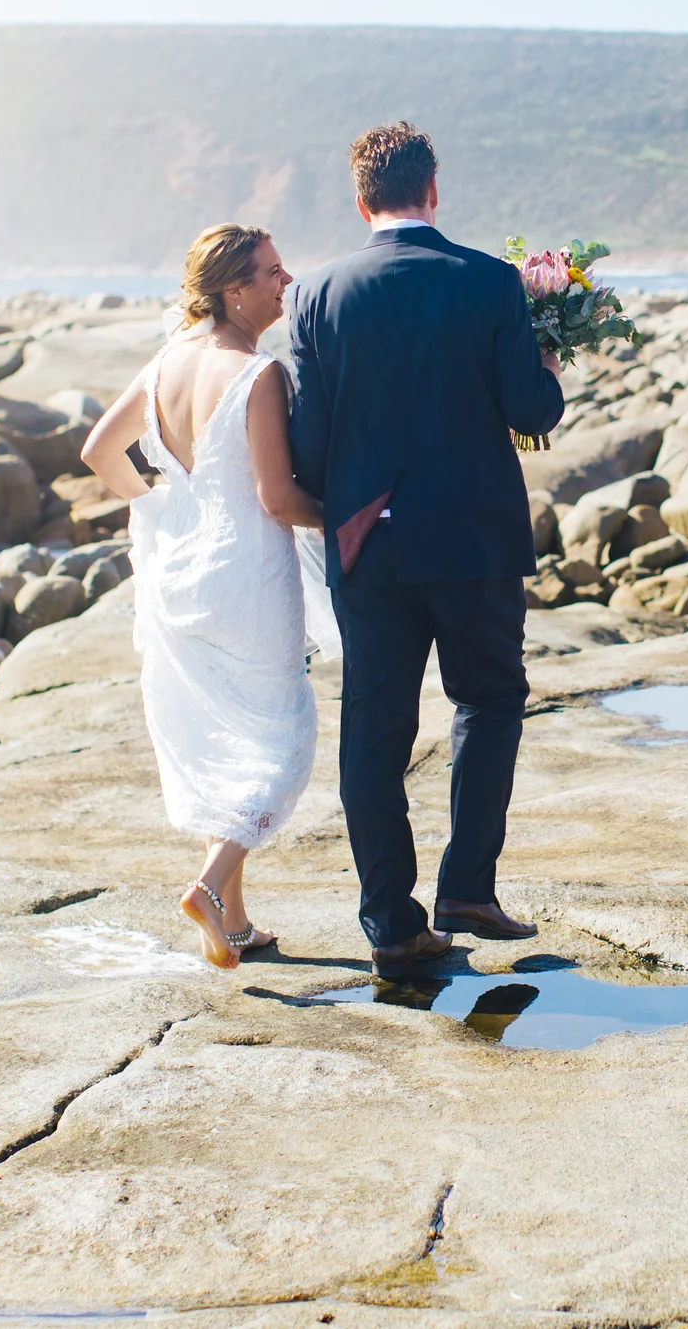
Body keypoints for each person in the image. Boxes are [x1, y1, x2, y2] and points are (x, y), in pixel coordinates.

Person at [288, 123, 566, 975]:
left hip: (366, 545)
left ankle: (390, 924)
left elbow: (306, 447)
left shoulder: (314, 295)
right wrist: (548, 346)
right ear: (433, 190)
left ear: (361, 200)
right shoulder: (488, 281)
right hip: (474, 536)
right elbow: (534, 411)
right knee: (487, 701)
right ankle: (467, 888)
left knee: (374, 726)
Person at [79, 224, 327, 970]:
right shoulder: (256, 374)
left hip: (179, 572)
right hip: (247, 578)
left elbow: (98, 450)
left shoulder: (166, 362)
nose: (286, 281)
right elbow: (278, 500)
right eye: (272, 272)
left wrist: (162, 503)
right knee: (283, 737)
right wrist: (353, 512)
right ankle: (211, 883)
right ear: (234, 291)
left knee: (222, 735)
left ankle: (235, 917)